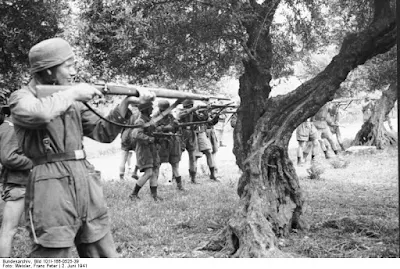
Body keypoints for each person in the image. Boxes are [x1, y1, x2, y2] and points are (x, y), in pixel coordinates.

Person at [9, 37, 155, 258]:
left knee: (102, 251)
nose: (73, 72)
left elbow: (103, 132)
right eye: (68, 66)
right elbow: (38, 113)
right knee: (54, 252)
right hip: (50, 186)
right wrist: (73, 93)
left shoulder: (71, 99)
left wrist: (125, 103)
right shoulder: (22, 97)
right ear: (48, 71)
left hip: (85, 181)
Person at [0, 105, 33, 257]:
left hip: (21, 184)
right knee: (9, 229)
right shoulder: (11, 128)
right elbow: (8, 157)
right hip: (18, 185)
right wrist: (35, 162)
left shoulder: (11, 128)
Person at [178, 100, 219, 183]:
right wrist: (194, 109)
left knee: (204, 153)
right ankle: (175, 177)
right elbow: (180, 116)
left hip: (195, 133)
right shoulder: (181, 112)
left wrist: (208, 112)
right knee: (178, 156)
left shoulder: (194, 113)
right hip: (183, 134)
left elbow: (204, 120)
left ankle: (205, 176)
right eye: (189, 106)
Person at [129, 101, 162, 201]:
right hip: (144, 150)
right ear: (145, 110)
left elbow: (154, 130)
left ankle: (154, 196)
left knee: (155, 171)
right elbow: (136, 134)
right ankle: (133, 194)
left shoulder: (149, 120)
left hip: (152, 149)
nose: (152, 109)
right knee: (148, 172)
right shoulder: (140, 122)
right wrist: (150, 139)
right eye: (150, 108)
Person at [153, 100, 184, 191]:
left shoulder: (170, 116)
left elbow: (176, 127)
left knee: (174, 163)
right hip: (160, 143)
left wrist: (176, 126)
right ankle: (154, 187)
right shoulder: (155, 116)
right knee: (157, 165)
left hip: (172, 142)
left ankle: (179, 186)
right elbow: (153, 129)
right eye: (163, 109)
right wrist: (165, 128)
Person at [119, 107, 140, 180]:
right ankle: (135, 172)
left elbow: (121, 125)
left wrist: (122, 135)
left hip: (125, 134)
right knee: (138, 155)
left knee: (123, 157)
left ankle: (121, 177)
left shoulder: (126, 111)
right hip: (135, 134)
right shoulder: (139, 113)